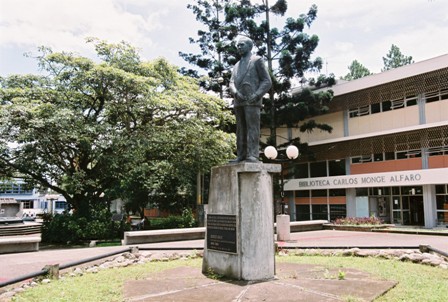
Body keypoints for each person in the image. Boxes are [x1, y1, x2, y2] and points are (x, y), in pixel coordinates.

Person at [229, 36, 272, 162]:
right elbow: (231, 82)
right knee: (240, 129)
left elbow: (266, 81)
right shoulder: (236, 65)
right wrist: (236, 93)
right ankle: (241, 155)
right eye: (237, 45)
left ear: (249, 46)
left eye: (241, 45)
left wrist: (257, 95)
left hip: (252, 100)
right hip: (239, 101)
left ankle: (253, 154)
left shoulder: (257, 60)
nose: (238, 47)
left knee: (252, 128)